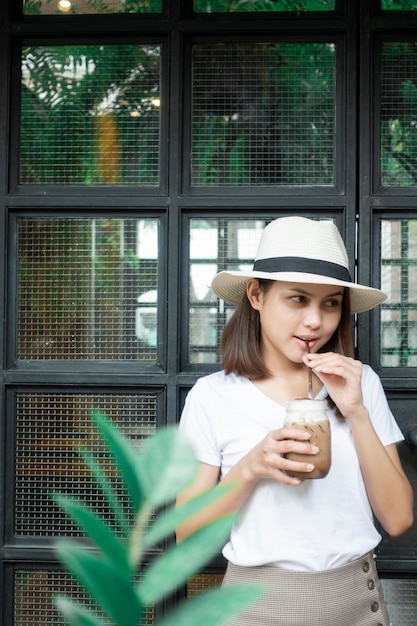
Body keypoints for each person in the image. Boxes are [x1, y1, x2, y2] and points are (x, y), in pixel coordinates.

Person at [176, 216, 414, 626]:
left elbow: (398, 518)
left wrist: (355, 412)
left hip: (357, 602)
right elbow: (187, 538)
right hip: (253, 608)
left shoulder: (361, 384)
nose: (315, 322)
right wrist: (250, 467)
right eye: (298, 299)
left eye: (331, 303)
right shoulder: (213, 396)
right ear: (256, 294)